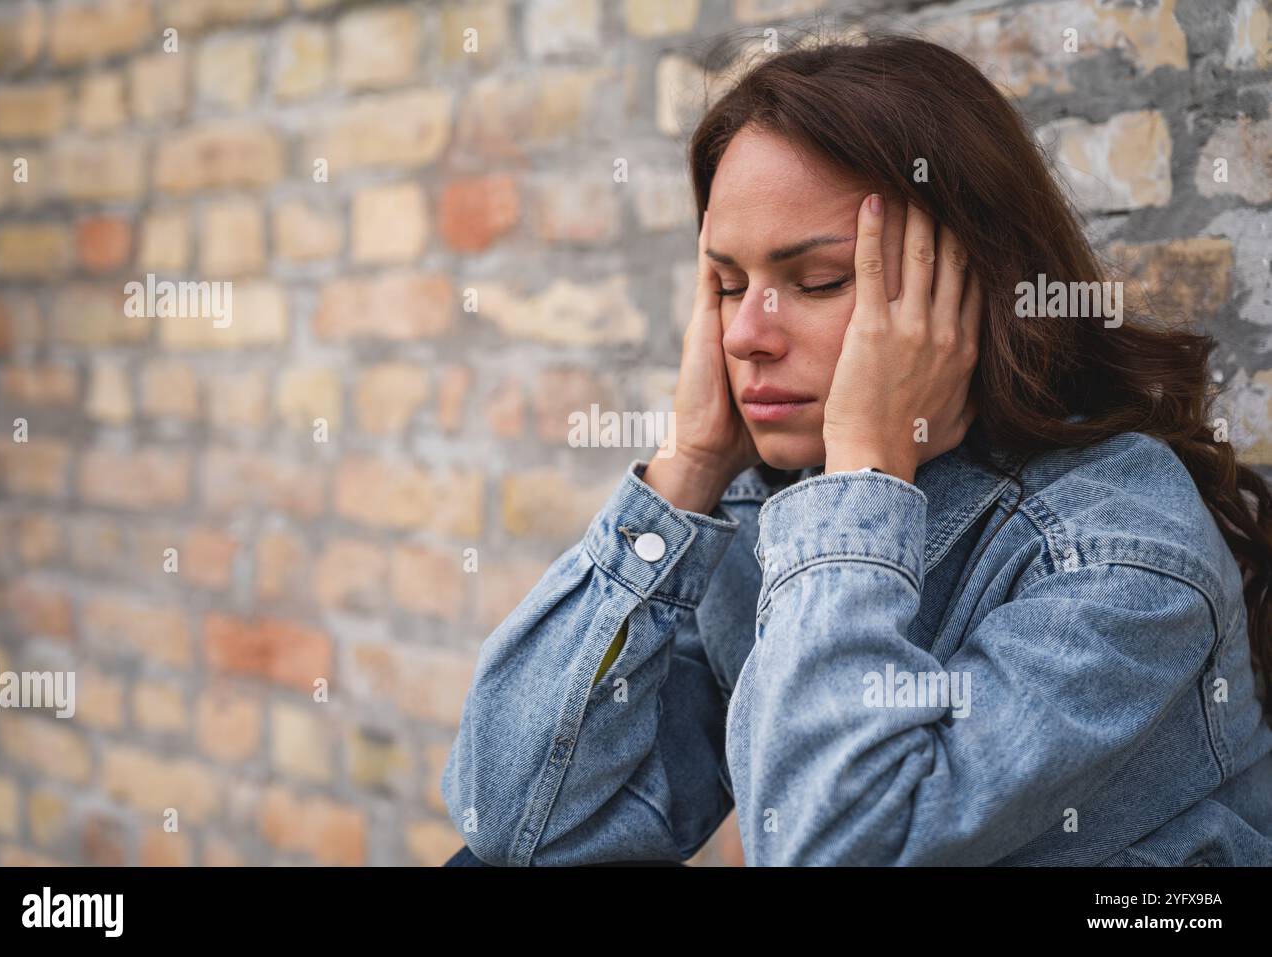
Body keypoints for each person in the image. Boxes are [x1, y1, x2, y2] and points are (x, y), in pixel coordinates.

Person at [439, 33, 1272, 866]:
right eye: (727, 286)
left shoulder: (1119, 557)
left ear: (967, 289)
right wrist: (687, 465)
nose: (747, 334)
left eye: (819, 281)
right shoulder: (770, 503)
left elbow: (832, 850)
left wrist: (870, 465)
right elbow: (519, 825)